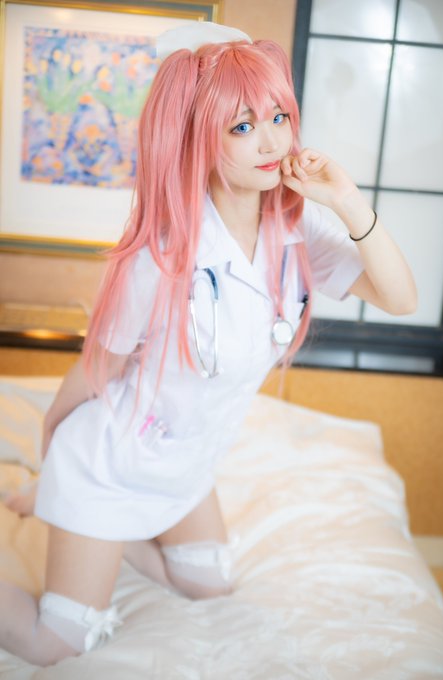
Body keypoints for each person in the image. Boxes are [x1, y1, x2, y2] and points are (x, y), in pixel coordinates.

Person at [0, 22, 417, 667]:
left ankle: (63, 514)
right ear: (199, 138)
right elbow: (98, 369)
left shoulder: (296, 229)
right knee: (54, 643)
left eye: (279, 117)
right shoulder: (158, 256)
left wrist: (347, 200)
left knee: (207, 585)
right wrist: (53, 442)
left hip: (188, 466)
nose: (273, 141)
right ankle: (65, 502)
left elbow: (401, 298)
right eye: (243, 126)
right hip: (110, 465)